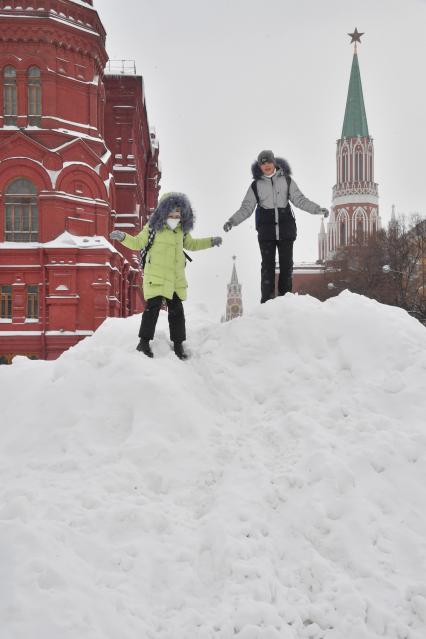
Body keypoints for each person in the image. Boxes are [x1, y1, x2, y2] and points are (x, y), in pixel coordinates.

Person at [110, 192, 222, 360]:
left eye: (178, 214)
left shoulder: (181, 231)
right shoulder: (153, 227)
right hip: (155, 274)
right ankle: (144, 342)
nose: (174, 217)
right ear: (163, 212)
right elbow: (137, 242)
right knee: (152, 309)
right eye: (171, 214)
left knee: (177, 311)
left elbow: (192, 245)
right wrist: (123, 237)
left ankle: (178, 345)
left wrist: (210, 241)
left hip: (175, 278)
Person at [223, 150, 329, 303]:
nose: (266, 165)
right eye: (263, 163)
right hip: (266, 232)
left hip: (286, 231)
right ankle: (266, 301)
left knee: (287, 266)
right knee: (267, 267)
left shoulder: (286, 180)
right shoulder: (255, 185)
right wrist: (232, 221)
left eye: (268, 162)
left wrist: (318, 209)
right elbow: (246, 208)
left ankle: (285, 300)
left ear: (274, 163)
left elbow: (300, 200)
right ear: (260, 166)